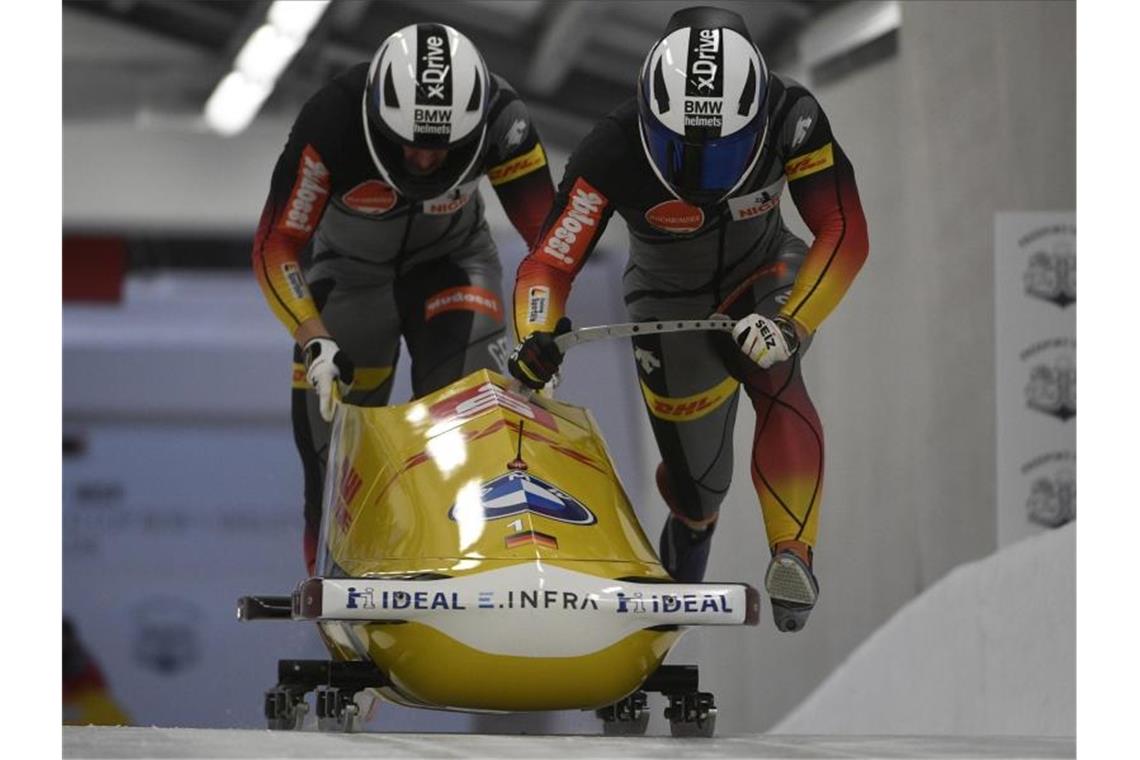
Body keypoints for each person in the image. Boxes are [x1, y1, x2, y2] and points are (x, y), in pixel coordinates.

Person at [507, 6, 869, 632]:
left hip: (765, 275)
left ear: (755, 123)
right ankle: (691, 538)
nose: (704, 174)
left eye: (724, 154)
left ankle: (792, 552)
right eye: (684, 150)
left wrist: (793, 324)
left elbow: (844, 231)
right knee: (698, 485)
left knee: (775, 367)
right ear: (650, 120)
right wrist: (537, 333)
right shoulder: (611, 148)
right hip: (666, 307)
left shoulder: (795, 118)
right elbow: (549, 263)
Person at [253, 23, 555, 574]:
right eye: (409, 142)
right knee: (334, 462)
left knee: (466, 422)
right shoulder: (332, 121)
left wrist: (541, 325)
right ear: (376, 118)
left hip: (454, 265)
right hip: (349, 276)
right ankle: (341, 582)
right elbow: (278, 243)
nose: (421, 160)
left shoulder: (504, 120)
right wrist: (312, 336)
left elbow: (552, 244)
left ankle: (466, 562)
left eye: (440, 148)